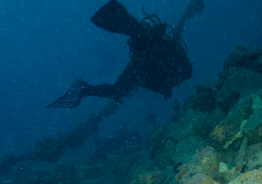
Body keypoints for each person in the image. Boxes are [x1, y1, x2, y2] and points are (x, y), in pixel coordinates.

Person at [46, 0, 204, 108]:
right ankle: (83, 90)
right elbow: (187, 72)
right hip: (149, 63)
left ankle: (83, 89)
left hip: (147, 64)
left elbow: (187, 72)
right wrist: (169, 80)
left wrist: (167, 81)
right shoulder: (165, 48)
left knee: (118, 91)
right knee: (121, 90)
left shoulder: (151, 54)